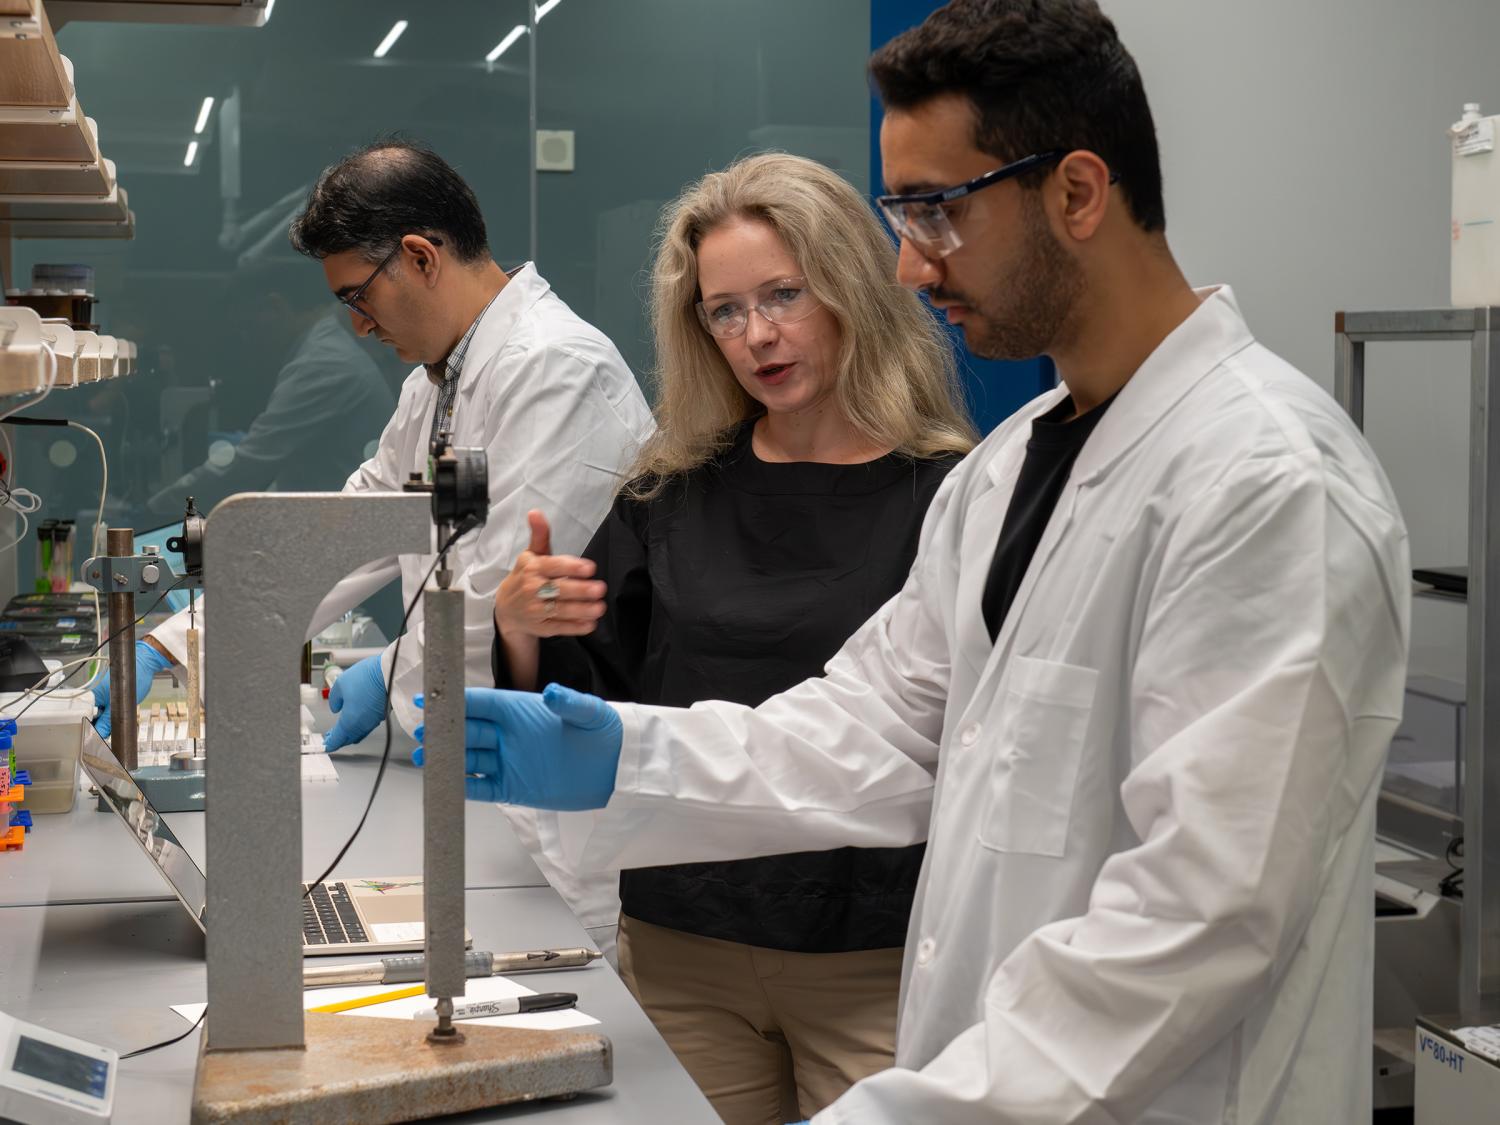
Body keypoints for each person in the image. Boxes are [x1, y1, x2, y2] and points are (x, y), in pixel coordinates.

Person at [423, 3, 1411, 1122]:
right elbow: (870, 731)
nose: (905, 262)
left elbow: (1201, 917)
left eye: (936, 213)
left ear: (1077, 193)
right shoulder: (1011, 476)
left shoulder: (1265, 483)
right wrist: (622, 753)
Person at [489, 153, 975, 1123]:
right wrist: (521, 626)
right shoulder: (670, 492)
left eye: (783, 296)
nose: (758, 335)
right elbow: (587, 705)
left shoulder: (953, 497)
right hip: (684, 948)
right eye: (725, 311)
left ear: (850, 289)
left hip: (874, 956)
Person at [95, 140, 652, 952]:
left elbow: (500, 613)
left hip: (543, 820)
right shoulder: (437, 382)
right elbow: (347, 531)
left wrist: (380, 672)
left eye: (358, 296)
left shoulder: (555, 370)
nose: (357, 324)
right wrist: (172, 642)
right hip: (461, 784)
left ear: (421, 256)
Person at [145, 259, 395, 516]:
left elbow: (248, 466)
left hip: (348, 532)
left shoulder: (324, 363)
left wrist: (154, 511)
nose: (248, 343)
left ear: (274, 307)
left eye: (247, 328)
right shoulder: (321, 351)